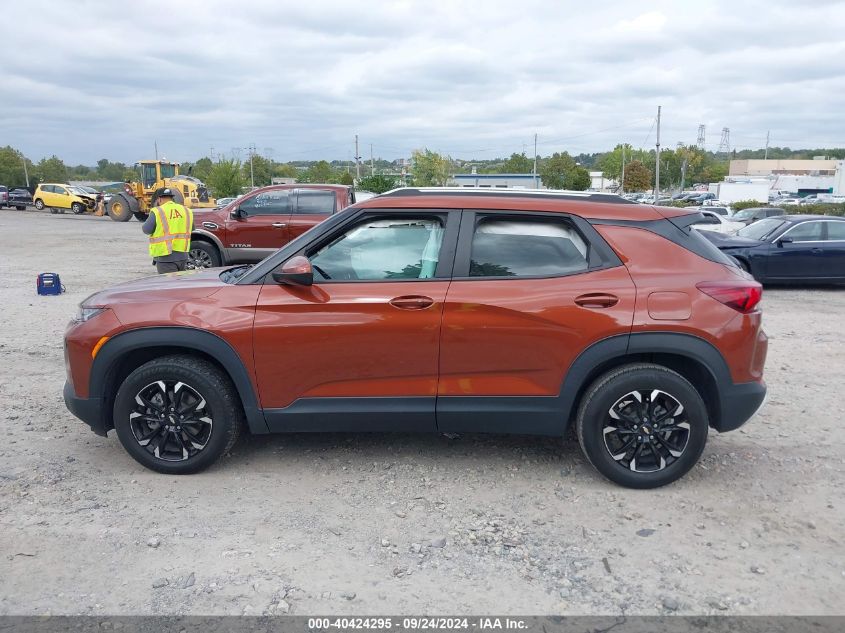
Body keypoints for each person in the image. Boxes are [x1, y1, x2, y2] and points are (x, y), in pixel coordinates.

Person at [142, 189, 194, 274]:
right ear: (172, 198)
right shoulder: (186, 210)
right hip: (183, 256)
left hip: (165, 257)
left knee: (169, 285)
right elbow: (192, 229)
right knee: (180, 285)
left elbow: (146, 229)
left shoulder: (158, 211)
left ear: (159, 199)